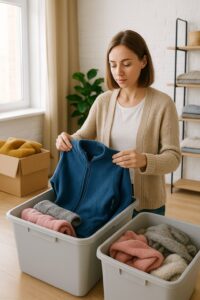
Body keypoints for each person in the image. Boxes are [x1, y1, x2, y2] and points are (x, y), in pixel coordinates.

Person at [56, 30, 181, 217]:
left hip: (146, 202)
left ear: (143, 62)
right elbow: (82, 135)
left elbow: (173, 158)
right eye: (113, 65)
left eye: (127, 64)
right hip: (106, 196)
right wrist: (67, 139)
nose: (118, 72)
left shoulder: (163, 104)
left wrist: (145, 160)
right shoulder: (103, 101)